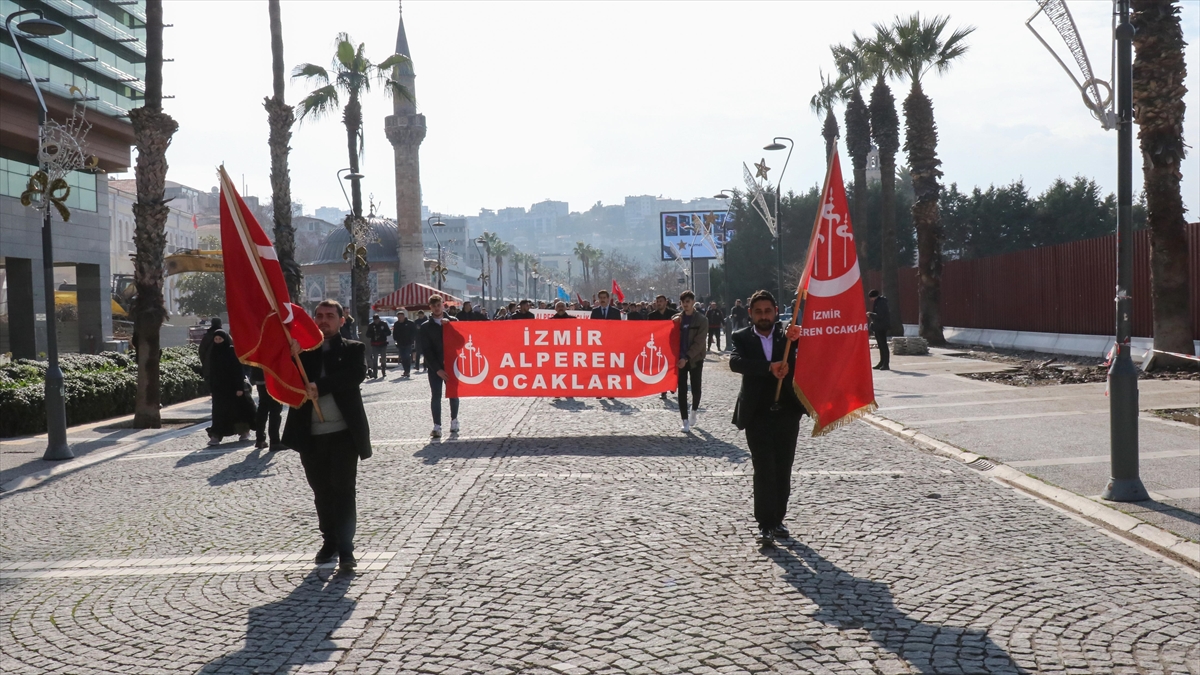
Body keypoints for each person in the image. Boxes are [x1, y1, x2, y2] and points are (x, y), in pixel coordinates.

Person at [282, 299, 371, 575]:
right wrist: (289, 352)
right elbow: (285, 376)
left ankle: (346, 548)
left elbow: (354, 375)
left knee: (344, 491)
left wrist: (319, 386)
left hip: (344, 434)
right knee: (321, 492)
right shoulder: (303, 351)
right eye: (319, 316)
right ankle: (329, 540)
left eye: (330, 316)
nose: (323, 321)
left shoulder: (354, 349)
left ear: (341, 320)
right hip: (311, 435)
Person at [729, 290, 805, 547]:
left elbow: (810, 356)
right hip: (757, 413)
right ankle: (765, 523)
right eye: (759, 312)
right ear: (751, 313)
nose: (764, 316)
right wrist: (768, 368)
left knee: (783, 468)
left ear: (775, 311)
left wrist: (801, 339)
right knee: (764, 469)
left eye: (768, 311)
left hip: (787, 411)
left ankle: (778, 518)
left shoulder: (789, 334)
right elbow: (736, 363)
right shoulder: (740, 337)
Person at [205, 329, 256, 446]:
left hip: (233, 388)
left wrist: (239, 388)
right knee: (218, 412)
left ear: (225, 339)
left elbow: (238, 371)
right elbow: (211, 372)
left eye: (220, 339)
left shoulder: (232, 351)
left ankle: (243, 432)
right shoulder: (213, 352)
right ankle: (216, 435)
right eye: (216, 339)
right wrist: (211, 389)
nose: (218, 342)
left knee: (238, 411)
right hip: (219, 389)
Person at [418, 295, 459, 437]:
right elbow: (426, 350)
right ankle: (437, 425)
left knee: (453, 394)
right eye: (434, 305)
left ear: (443, 305)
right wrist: (437, 369)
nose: (437, 308)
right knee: (436, 395)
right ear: (430, 307)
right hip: (435, 368)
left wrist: (450, 327)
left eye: (439, 305)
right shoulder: (425, 327)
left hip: (452, 364)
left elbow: (461, 341)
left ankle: (454, 420)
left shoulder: (454, 321)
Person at [673, 291, 709, 432]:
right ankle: (685, 420)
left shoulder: (701, 320)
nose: (685, 305)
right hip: (679, 360)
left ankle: (694, 410)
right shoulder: (677, 319)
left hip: (695, 359)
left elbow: (699, 342)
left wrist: (686, 357)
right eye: (683, 302)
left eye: (688, 301)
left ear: (693, 302)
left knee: (696, 389)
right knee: (682, 390)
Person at [248, 366, 283, 450]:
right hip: (272, 373)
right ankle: (274, 440)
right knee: (275, 408)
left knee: (263, 407)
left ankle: (260, 439)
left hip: (259, 374)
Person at [868, 289, 891, 371]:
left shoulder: (881, 303)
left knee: (883, 345)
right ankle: (881, 362)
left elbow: (880, 315)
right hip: (878, 326)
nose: (871, 300)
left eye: (871, 298)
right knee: (880, 346)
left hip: (882, 326)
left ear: (874, 296)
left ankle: (886, 364)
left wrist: (871, 314)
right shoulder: (877, 302)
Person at [391, 310, 417, 378]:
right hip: (400, 343)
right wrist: (396, 340)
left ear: (404, 316)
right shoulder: (396, 324)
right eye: (398, 317)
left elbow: (414, 332)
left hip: (408, 343)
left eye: (401, 317)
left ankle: (407, 371)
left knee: (407, 356)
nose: (400, 318)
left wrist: (412, 339)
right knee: (403, 358)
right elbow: (395, 333)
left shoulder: (410, 323)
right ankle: (405, 370)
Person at [365, 314, 391, 378]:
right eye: (375, 320)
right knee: (375, 359)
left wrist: (382, 333)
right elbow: (367, 334)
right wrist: (373, 335)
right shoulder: (371, 326)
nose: (376, 321)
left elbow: (389, 332)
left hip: (383, 343)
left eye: (377, 319)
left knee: (383, 359)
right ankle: (375, 373)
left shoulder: (383, 324)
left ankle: (383, 371)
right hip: (375, 344)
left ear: (379, 319)